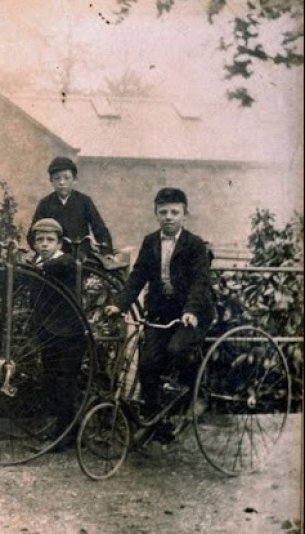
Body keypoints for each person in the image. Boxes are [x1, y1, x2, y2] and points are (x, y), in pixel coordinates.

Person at [105, 187, 214, 443]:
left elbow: (200, 281)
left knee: (177, 349)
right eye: (163, 212)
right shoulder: (150, 241)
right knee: (146, 364)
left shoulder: (195, 245)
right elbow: (138, 276)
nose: (169, 217)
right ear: (156, 214)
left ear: (184, 214)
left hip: (192, 312)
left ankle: (196, 393)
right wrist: (120, 305)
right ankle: (155, 419)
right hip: (161, 314)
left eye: (174, 212)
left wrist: (190, 311)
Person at [27, 218, 87, 451]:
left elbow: (57, 267)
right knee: (51, 381)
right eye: (39, 240)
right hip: (48, 332)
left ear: (59, 243)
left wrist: (35, 266)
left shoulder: (64, 262)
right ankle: (67, 431)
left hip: (70, 334)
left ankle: (64, 435)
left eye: (50, 240)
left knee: (66, 383)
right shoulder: (39, 262)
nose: (44, 244)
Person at [30, 156, 113, 256]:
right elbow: (33, 233)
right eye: (57, 178)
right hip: (53, 255)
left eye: (66, 178)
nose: (61, 182)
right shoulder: (45, 203)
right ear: (51, 181)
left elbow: (99, 228)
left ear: (75, 180)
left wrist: (107, 251)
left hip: (81, 254)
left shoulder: (84, 201)